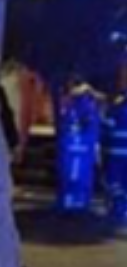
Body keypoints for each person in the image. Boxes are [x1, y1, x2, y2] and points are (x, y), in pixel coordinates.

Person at [56, 76, 103, 214]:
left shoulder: (79, 104)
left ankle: (72, 203)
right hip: (78, 150)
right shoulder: (83, 104)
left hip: (75, 149)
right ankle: (76, 203)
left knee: (74, 178)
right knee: (76, 178)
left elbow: (88, 126)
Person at [105, 88, 127, 226]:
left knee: (115, 183)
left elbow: (107, 128)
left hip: (116, 154)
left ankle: (117, 211)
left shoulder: (116, 110)